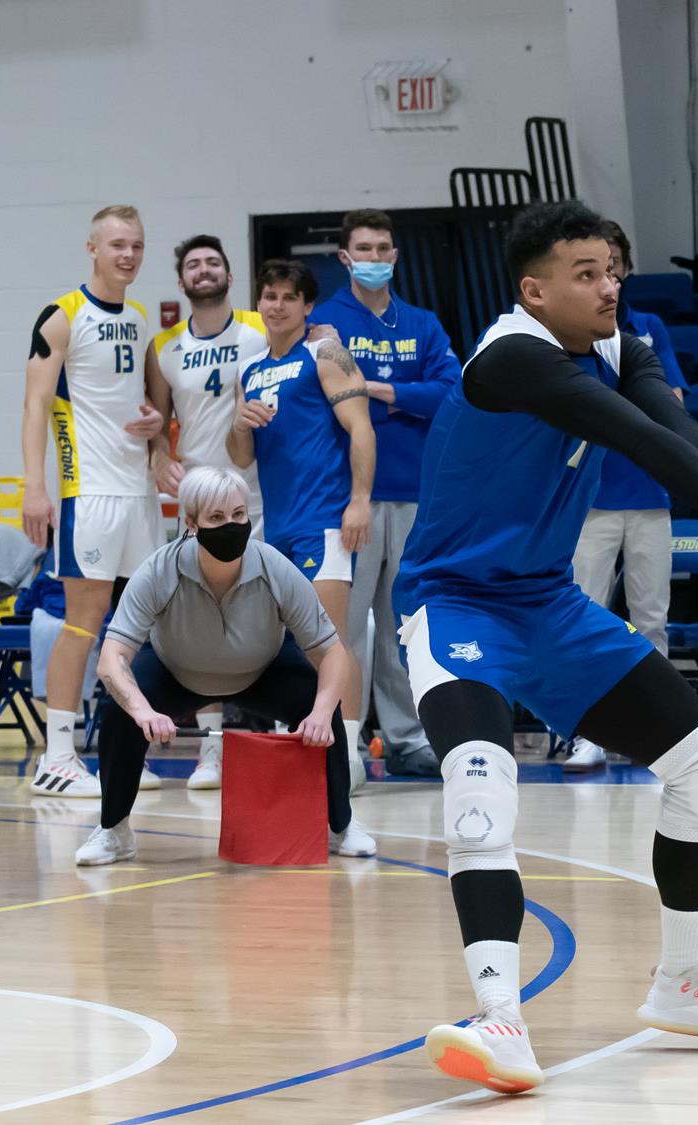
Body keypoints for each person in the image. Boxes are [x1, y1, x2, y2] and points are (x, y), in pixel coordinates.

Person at [392, 201, 698, 1093]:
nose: (609, 285)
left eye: (613, 268)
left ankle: (685, 979)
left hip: (548, 603)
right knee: (478, 786)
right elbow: (640, 441)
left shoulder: (624, 344)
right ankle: (499, 1016)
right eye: (586, 274)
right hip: (457, 604)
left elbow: (683, 429)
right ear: (534, 290)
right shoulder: (510, 357)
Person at [75, 468, 374, 865]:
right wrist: (142, 710)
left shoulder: (274, 567)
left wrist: (320, 713)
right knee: (119, 712)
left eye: (238, 515)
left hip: (263, 669)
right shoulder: (158, 570)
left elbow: (332, 652)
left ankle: (341, 826)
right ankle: (113, 830)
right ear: (191, 523)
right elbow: (112, 657)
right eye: (216, 518)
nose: (230, 526)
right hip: (177, 671)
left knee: (320, 702)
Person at [18, 204, 168, 798]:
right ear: (92, 249)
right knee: (83, 622)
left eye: (136, 245)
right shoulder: (61, 316)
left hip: (138, 493)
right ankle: (56, 757)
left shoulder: (136, 317)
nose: (128, 255)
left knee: (135, 627)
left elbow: (141, 405)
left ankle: (122, 752)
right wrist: (35, 484)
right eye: (117, 246)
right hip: (90, 491)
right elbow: (34, 406)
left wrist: (157, 427)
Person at [309, 209, 460, 782]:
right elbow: (326, 398)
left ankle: (406, 737)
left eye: (383, 248)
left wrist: (375, 387)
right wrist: (405, 396)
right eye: (363, 249)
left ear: (395, 257)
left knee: (406, 624)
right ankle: (342, 743)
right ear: (345, 258)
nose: (374, 258)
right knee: (344, 629)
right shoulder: (324, 322)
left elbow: (449, 393)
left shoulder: (422, 324)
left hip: (417, 492)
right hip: (353, 496)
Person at [228, 258, 375, 784]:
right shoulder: (250, 370)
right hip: (279, 527)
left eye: (290, 296)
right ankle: (309, 744)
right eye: (269, 295)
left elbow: (361, 428)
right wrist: (239, 422)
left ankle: (350, 752)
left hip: (326, 519)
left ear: (308, 305)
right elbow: (241, 457)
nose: (278, 304)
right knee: (292, 645)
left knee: (330, 641)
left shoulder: (327, 351)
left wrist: (359, 500)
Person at [564, 219, 690, 773]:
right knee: (585, 614)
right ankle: (585, 732)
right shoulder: (568, 334)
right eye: (595, 266)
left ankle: (654, 729)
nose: (607, 275)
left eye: (613, 264)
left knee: (650, 618)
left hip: (647, 493)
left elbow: (674, 402)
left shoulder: (649, 328)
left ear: (626, 270)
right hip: (589, 500)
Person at [145, 233, 269, 789]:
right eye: (193, 264)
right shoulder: (164, 346)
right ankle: (213, 751)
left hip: (259, 488)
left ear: (228, 275)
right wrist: (157, 455)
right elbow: (156, 422)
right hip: (198, 497)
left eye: (212, 262)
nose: (203, 270)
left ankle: (273, 741)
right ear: (181, 282)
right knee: (203, 615)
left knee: (266, 611)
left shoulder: (259, 326)